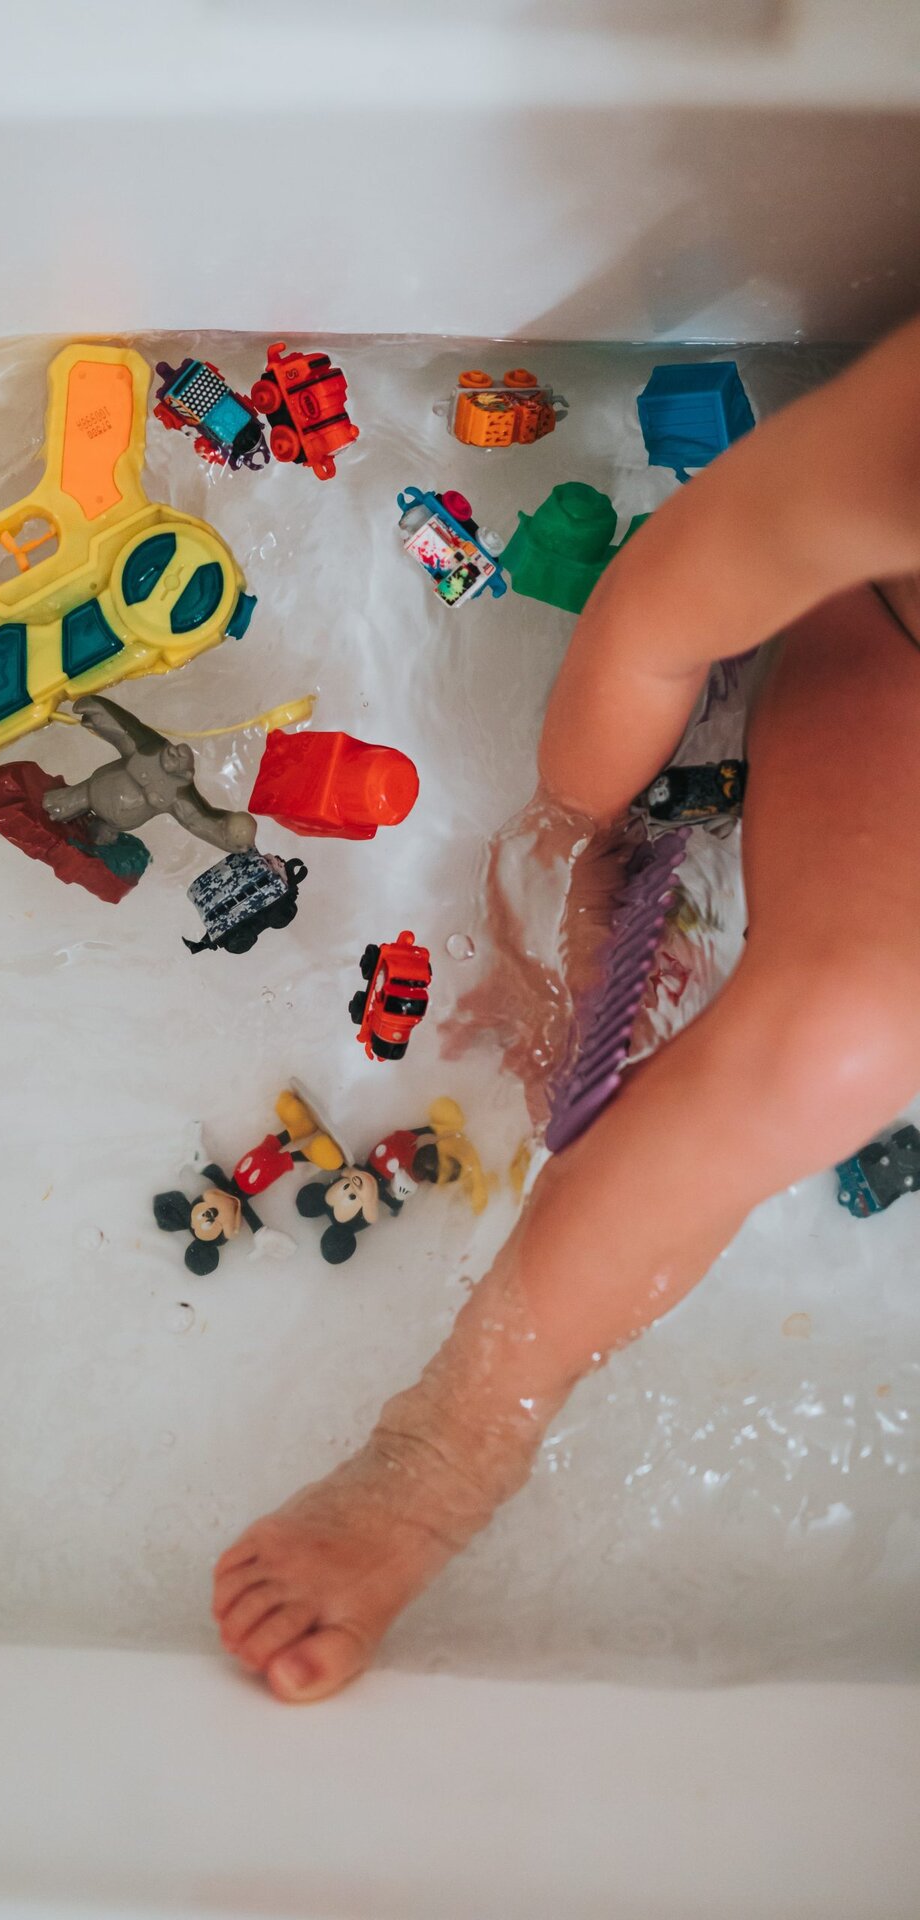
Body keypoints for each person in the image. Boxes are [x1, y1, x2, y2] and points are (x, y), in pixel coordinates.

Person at [211, 316, 920, 1703]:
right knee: (848, 1032)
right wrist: (556, 840)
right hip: (890, 664)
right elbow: (661, 616)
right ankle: (453, 1438)